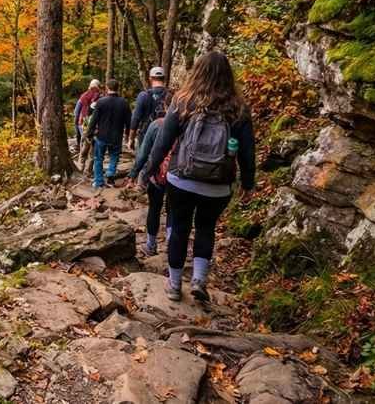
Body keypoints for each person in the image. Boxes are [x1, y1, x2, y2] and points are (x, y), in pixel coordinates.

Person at [144, 51, 255, 303]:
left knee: (180, 228)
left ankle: (174, 285)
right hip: (218, 183)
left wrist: (148, 170)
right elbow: (248, 150)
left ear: (197, 72)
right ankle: (199, 280)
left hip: (181, 178)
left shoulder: (183, 101)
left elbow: (164, 141)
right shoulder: (238, 108)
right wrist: (248, 183)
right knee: (206, 228)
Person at [131, 117, 170, 256]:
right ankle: (172, 246)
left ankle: (151, 244)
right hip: (181, 176)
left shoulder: (158, 124)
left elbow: (143, 152)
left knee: (154, 208)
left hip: (157, 174)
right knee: (174, 212)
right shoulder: (191, 123)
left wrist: (134, 173)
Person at [86, 79, 130, 189]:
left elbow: (94, 120)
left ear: (107, 88)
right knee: (114, 157)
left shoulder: (101, 102)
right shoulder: (124, 102)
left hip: (102, 136)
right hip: (117, 136)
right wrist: (128, 135)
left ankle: (98, 181)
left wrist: (89, 133)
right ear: (117, 88)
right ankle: (110, 177)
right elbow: (129, 121)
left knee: (98, 158)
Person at [129, 66, 170, 150]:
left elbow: (135, 119)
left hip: (146, 135)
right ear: (164, 78)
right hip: (166, 136)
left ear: (150, 78)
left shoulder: (144, 95)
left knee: (142, 161)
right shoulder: (172, 96)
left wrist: (131, 139)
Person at [74, 79, 102, 164]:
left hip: (84, 123)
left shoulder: (83, 96)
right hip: (97, 125)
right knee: (93, 149)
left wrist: (77, 125)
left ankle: (80, 167)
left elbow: (76, 112)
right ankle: (88, 171)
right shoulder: (101, 97)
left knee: (84, 147)